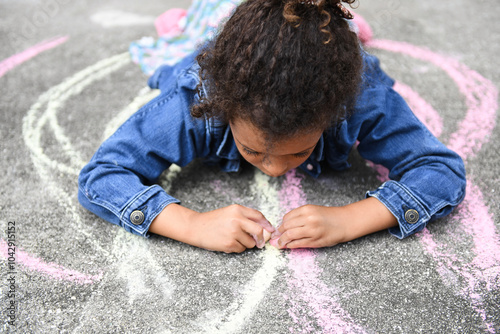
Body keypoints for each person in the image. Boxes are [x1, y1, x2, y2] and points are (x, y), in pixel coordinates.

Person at [78, 0, 466, 253]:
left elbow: (441, 171)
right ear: (225, 110)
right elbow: (101, 176)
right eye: (252, 149)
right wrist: (192, 225)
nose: (276, 168)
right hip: (225, 23)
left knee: (329, 25)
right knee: (192, 33)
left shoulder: (358, 95)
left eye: (298, 151)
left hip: (313, 34)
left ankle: (332, 17)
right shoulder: (196, 102)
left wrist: (350, 220)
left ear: (333, 113)